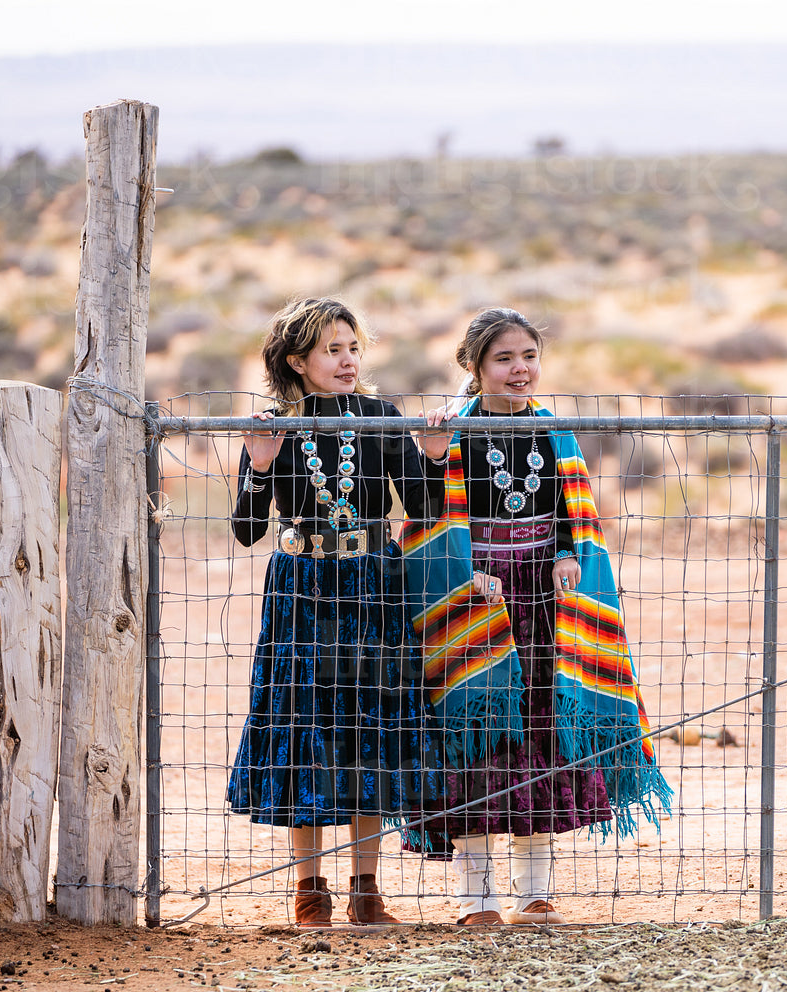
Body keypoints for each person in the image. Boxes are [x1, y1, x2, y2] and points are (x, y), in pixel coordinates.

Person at [401, 308, 672, 926]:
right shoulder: (451, 432)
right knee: (477, 740)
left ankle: (536, 893)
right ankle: (477, 900)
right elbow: (429, 520)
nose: (519, 369)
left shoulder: (556, 432)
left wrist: (569, 555)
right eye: (504, 358)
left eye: (528, 356)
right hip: (472, 604)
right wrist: (464, 572)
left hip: (544, 606)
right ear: (474, 366)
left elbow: (573, 515)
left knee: (540, 738)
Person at [226, 297, 447, 927]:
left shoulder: (382, 416)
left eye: (353, 348)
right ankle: (309, 890)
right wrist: (261, 468)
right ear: (298, 361)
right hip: (302, 585)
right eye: (332, 350)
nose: (347, 360)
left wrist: (430, 456)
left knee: (368, 730)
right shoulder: (275, 426)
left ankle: (367, 889)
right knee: (306, 727)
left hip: (374, 585)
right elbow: (246, 530)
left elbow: (426, 511)